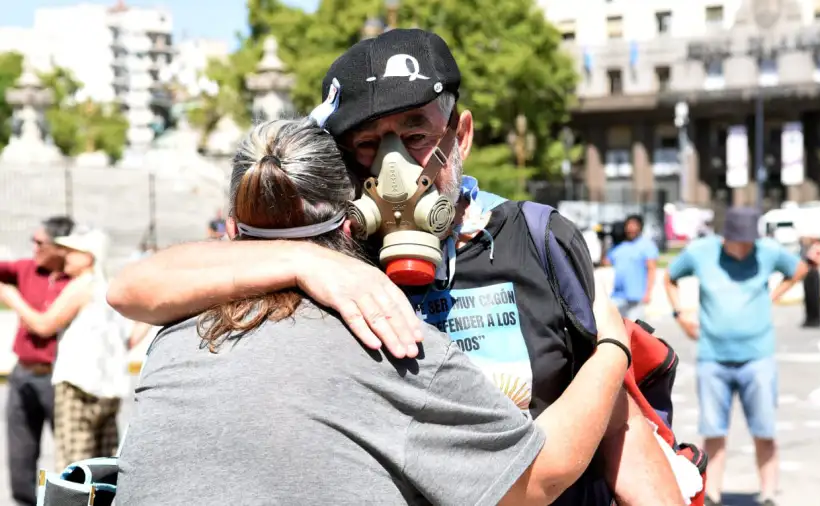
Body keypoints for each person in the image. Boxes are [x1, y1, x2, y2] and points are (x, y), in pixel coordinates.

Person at [108, 29, 683, 505]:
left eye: (415, 135)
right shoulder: (335, 256)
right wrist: (306, 259)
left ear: (460, 135)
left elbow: (615, 421)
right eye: (368, 146)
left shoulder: (537, 241)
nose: (395, 168)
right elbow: (133, 288)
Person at [663, 207, 808, 506]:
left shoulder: (767, 251)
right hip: (712, 357)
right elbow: (670, 276)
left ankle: (768, 494)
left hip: (758, 357)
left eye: (748, 241)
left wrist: (773, 296)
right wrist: (680, 315)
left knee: (764, 430)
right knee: (713, 431)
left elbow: (799, 269)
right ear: (725, 237)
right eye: (738, 241)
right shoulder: (701, 252)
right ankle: (711, 494)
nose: (744, 247)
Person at [1, 226, 127, 472]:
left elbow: (44, 325)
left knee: (73, 469)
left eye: (72, 251)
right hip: (108, 389)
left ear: (88, 257)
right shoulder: (108, 288)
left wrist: (12, 298)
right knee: (102, 469)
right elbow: (129, 339)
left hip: (78, 387)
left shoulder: (81, 286)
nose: (65, 255)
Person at [0, 216, 73, 506]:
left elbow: (45, 326)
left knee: (69, 453)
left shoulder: (76, 281)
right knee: (20, 453)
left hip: (58, 376)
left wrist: (13, 299)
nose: (34, 247)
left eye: (40, 242)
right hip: (23, 372)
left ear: (60, 245)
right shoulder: (26, 269)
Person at [602, 214, 658, 321]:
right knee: (616, 326)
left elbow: (651, 269)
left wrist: (648, 292)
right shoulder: (618, 245)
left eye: (634, 225)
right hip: (617, 295)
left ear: (640, 227)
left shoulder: (647, 245)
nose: (631, 229)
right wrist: (604, 242)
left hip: (636, 295)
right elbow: (605, 263)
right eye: (629, 225)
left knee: (634, 327)